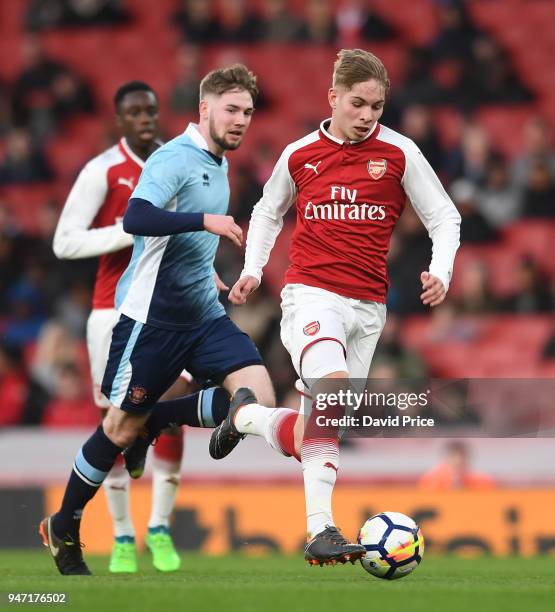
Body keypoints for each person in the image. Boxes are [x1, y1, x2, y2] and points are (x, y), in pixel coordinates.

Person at [211, 48, 461, 566]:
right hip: (310, 295)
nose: (368, 115)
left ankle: (249, 417)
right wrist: (254, 269)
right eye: (358, 103)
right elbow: (266, 210)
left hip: (368, 308)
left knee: (315, 433)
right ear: (333, 98)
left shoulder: (399, 153)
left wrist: (442, 271)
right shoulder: (300, 154)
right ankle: (320, 530)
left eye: (377, 105)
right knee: (331, 387)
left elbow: (445, 218)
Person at [39, 64, 274, 576]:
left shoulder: (218, 161)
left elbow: (181, 240)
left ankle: (162, 419)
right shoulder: (173, 157)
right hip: (150, 322)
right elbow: (137, 218)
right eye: (231, 110)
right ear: (205, 108)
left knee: (259, 397)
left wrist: (208, 269)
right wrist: (205, 221)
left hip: (202, 316)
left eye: (248, 113)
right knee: (120, 427)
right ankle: (65, 522)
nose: (240, 121)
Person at [51, 81, 192, 573]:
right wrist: (128, 229)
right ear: (119, 120)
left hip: (169, 310)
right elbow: (64, 242)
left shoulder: (177, 161)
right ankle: (124, 536)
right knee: (113, 426)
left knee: (171, 411)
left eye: (151, 110)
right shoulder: (102, 171)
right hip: (111, 310)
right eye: (134, 112)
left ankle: (159, 528)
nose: (145, 118)